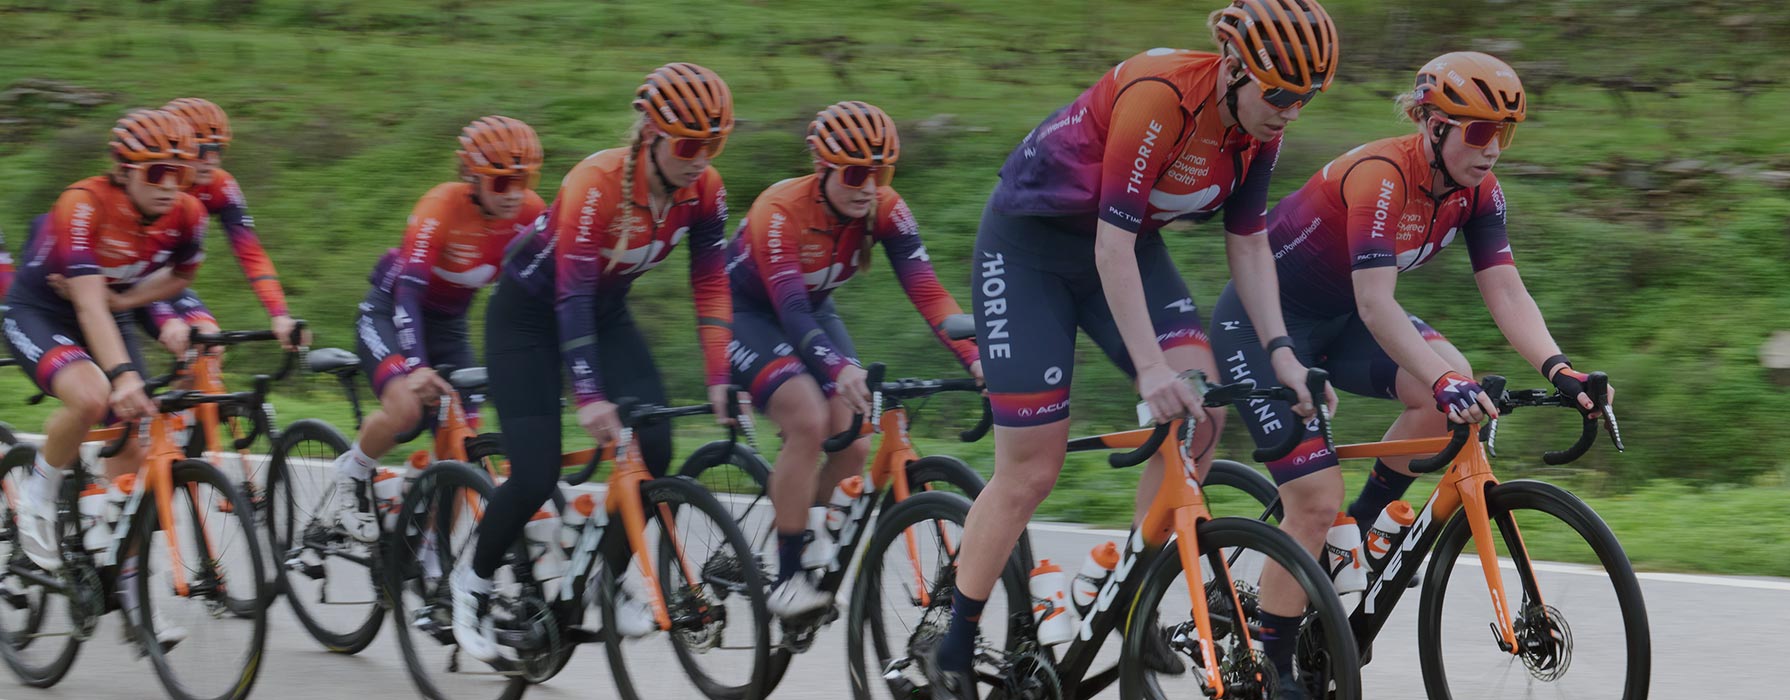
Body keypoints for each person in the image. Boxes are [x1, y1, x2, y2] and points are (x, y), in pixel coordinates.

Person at [931, 1, 1340, 696]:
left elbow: (1246, 244)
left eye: (1305, 97)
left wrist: (1280, 352)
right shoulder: (1160, 97)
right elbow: (1109, 242)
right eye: (1279, 93)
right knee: (1031, 468)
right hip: (1031, 251)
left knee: (1201, 415)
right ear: (1236, 68)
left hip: (1124, 253)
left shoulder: (1255, 129)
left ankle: (1129, 593)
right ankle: (956, 642)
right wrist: (1148, 366)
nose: (1290, 111)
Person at [1206, 51, 1615, 694]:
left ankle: (1359, 538)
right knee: (1318, 498)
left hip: (1339, 321)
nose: (1492, 150)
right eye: (1479, 132)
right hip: (1265, 327)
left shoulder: (1479, 191)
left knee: (1450, 381)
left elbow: (1506, 290)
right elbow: (1377, 303)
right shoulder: (1382, 176)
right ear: (1432, 123)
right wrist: (1448, 383)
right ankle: (1272, 663)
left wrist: (1559, 368)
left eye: (1503, 134)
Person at [451, 63, 738, 662]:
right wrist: (589, 395)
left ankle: (603, 583)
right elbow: (570, 293)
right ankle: (469, 583)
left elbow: (711, 280)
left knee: (654, 443)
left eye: (715, 143)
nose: (701, 157)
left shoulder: (705, 189)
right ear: (650, 135)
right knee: (534, 472)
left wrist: (719, 375)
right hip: (528, 316)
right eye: (690, 143)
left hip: (603, 312)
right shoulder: (598, 184)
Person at [725, 101, 983, 618]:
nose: (869, 185)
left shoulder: (886, 207)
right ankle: (789, 574)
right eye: (856, 173)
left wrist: (976, 359)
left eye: (881, 172)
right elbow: (792, 310)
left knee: (856, 437)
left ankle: (800, 528)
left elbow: (929, 293)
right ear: (822, 170)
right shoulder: (780, 210)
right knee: (809, 419)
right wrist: (839, 369)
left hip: (813, 312)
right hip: (748, 314)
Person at [2, 109, 207, 646]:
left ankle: (133, 596)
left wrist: (130, 300)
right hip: (43, 310)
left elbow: (182, 276)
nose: (171, 186)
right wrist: (121, 374)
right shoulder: (83, 203)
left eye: (180, 173)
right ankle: (39, 500)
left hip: (103, 308)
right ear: (123, 170)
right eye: (156, 172)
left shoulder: (186, 213)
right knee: (94, 397)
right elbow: (89, 308)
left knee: (134, 450)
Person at [322, 116, 547, 542]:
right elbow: (408, 293)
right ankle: (352, 470)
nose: (514, 194)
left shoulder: (533, 214)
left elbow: (543, 293)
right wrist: (417, 366)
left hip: (449, 325)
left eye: (524, 180)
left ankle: (430, 556)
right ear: (472, 178)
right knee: (407, 408)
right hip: (391, 312)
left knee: (464, 444)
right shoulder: (440, 206)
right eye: (501, 184)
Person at [155, 98, 304, 350]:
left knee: (211, 348)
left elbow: (251, 253)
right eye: (201, 151)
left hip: (164, 284)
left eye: (218, 150)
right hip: (121, 285)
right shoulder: (148, 189)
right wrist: (167, 320)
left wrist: (279, 313)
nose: (211, 160)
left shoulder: (219, 185)